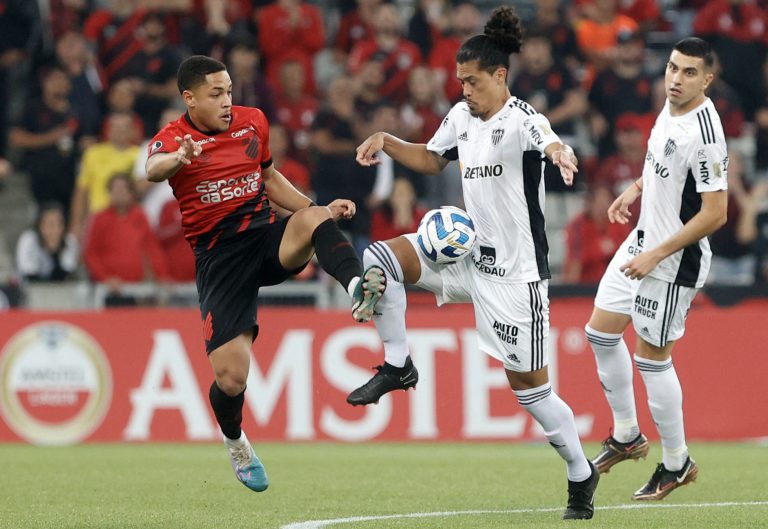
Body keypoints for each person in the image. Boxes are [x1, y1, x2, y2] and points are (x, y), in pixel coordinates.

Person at [351, 6, 599, 520]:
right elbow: (431, 157)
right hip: (466, 258)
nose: (464, 89)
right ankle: (399, 366)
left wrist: (559, 153)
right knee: (382, 256)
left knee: (531, 393)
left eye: (472, 81)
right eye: (460, 80)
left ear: (500, 76)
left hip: (516, 278)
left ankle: (580, 470)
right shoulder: (462, 117)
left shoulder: (522, 119)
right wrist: (389, 141)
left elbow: (547, 138)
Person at [144, 55, 385, 493]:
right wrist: (180, 157)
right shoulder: (173, 139)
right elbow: (152, 171)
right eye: (216, 94)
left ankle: (357, 286)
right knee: (231, 379)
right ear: (189, 98)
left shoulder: (252, 122)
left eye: (229, 91)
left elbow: (270, 179)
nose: (226, 101)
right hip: (220, 261)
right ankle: (235, 440)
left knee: (313, 220)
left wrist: (315, 207)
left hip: (265, 238)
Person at [585, 38, 728, 500]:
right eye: (672, 68)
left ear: (706, 79)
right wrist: (635, 188)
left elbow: (715, 213)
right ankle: (627, 435)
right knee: (600, 333)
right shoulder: (669, 108)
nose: (675, 79)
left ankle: (676, 462)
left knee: (651, 357)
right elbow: (666, 164)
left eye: (688, 73)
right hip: (643, 240)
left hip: (672, 260)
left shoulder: (705, 133)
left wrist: (656, 255)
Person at [16, 202, 79, 282]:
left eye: (60, 224)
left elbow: (65, 276)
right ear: (40, 226)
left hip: (59, 290)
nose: (56, 230)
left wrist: (56, 251)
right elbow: (30, 277)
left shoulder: (69, 241)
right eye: (51, 224)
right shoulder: (29, 240)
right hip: (28, 289)